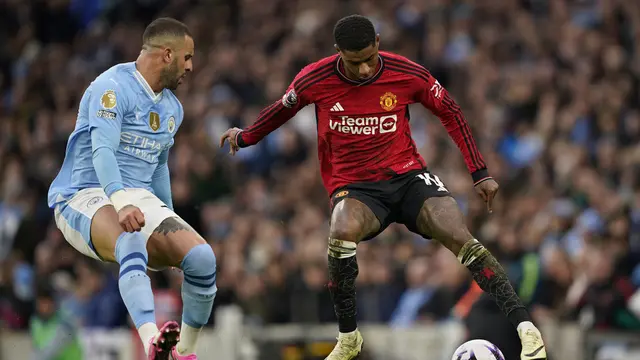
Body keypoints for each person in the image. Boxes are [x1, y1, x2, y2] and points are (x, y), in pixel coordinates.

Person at [220, 14, 547, 360]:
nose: (363, 70)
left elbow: (450, 111)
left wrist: (479, 171)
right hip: (357, 188)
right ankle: (349, 338)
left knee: (457, 232)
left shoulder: (406, 72)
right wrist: (247, 136)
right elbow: (280, 110)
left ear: (378, 41)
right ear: (338, 52)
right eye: (354, 62)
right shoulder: (315, 78)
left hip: (408, 177)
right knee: (341, 228)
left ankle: (526, 329)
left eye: (369, 59)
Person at [48, 18, 216, 360]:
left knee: (201, 258)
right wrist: (121, 203)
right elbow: (103, 151)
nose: (190, 66)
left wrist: (170, 220)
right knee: (131, 238)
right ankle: (152, 339)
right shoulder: (111, 87)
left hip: (138, 197)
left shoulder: (173, 108)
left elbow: (158, 167)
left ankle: (183, 352)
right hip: (84, 193)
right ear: (167, 55)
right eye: (187, 58)